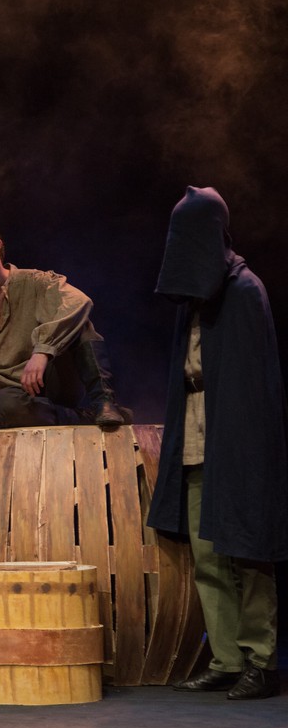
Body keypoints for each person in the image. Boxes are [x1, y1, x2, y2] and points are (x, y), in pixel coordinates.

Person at [147, 186, 286, 700]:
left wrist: (247, 447)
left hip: (238, 436)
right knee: (207, 555)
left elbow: (255, 383)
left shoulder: (245, 290)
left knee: (245, 550)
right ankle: (226, 658)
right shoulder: (193, 298)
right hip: (197, 429)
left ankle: (261, 661)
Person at [0, 214, 131, 431]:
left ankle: (104, 402)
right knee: (2, 405)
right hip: (13, 400)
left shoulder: (34, 281)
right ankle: (87, 419)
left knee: (77, 322)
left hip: (50, 382)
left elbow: (79, 301)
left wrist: (43, 351)